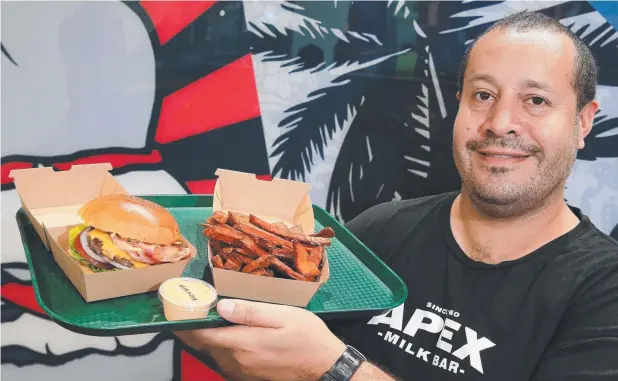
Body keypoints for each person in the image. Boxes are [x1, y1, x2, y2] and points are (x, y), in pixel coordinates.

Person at [174, 10, 618, 381]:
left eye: (536, 101)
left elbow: (317, 364)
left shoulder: (603, 290)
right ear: (460, 103)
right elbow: (272, 359)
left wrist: (338, 369)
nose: (501, 122)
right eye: (483, 95)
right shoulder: (380, 228)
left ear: (582, 123)